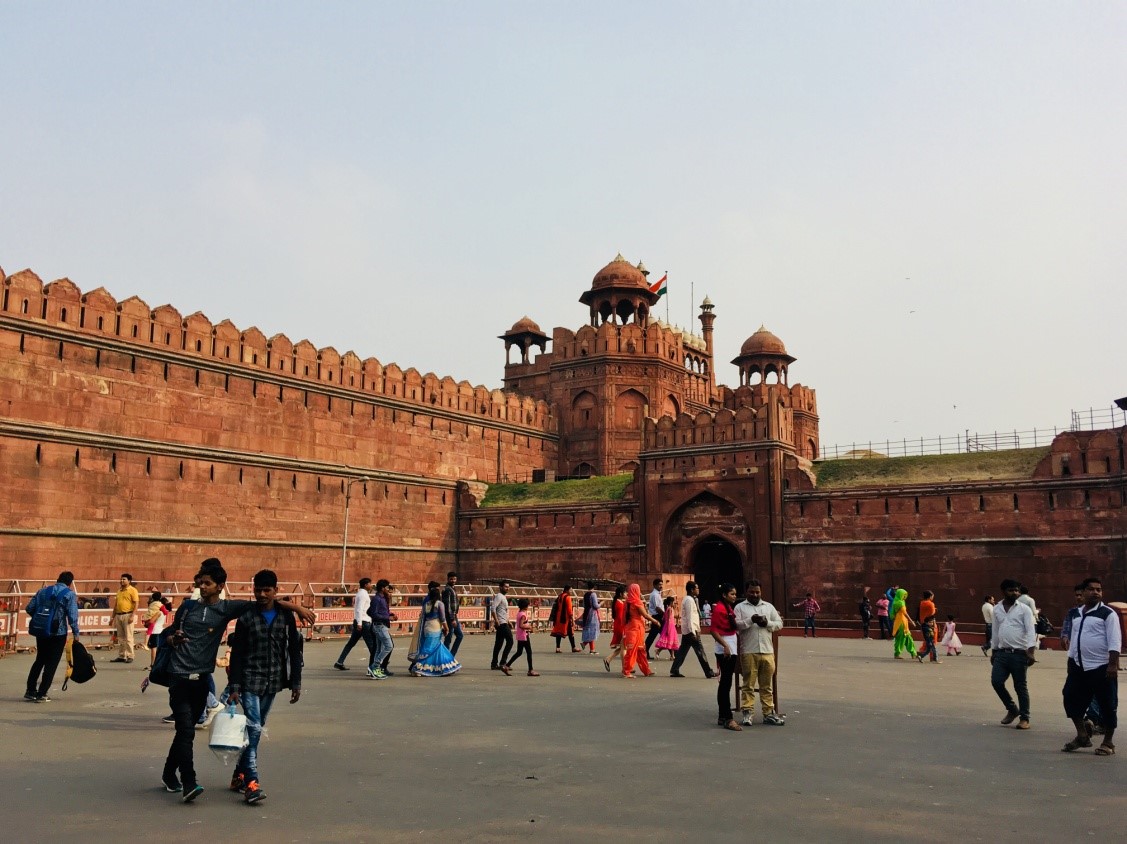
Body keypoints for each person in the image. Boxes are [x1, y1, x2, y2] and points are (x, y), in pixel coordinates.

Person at [159, 558, 313, 802]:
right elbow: (168, 637)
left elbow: (265, 604)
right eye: (201, 582)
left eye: (207, 583)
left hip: (205, 679)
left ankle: (171, 773)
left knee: (189, 733)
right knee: (189, 731)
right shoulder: (188, 608)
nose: (202, 586)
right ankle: (194, 782)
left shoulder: (228, 609)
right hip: (180, 677)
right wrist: (172, 640)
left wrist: (296, 609)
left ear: (220, 586)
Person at [226, 569, 303, 804]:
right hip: (250, 679)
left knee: (256, 729)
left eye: (266, 590)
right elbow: (237, 653)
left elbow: (293, 650)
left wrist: (296, 682)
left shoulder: (284, 616)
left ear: (275, 591)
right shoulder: (247, 617)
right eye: (257, 589)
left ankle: (239, 775)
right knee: (255, 728)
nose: (261, 594)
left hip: (273, 680)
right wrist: (234, 686)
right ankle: (251, 782)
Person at [1060, 577, 1119, 756]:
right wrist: (1071, 660)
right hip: (1078, 666)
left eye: (1099, 590)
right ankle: (1082, 735)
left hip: (1101, 667)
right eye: (1091, 589)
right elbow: (1075, 638)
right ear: (1083, 592)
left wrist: (1112, 665)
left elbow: (1115, 641)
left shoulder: (1108, 614)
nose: (1096, 592)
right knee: (1070, 698)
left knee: (1107, 704)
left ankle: (1108, 742)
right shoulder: (1076, 614)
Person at [24, 571, 81, 702]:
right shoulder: (69, 594)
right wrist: (76, 633)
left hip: (42, 632)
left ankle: (30, 690)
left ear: (57, 579)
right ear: (70, 583)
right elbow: (72, 616)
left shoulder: (42, 591)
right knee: (51, 663)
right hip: (58, 633)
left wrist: (41, 620)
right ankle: (42, 693)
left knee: (39, 660)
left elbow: (29, 608)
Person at [734, 580, 785, 727]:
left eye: (757, 592)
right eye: (752, 592)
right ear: (746, 592)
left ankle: (768, 713)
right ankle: (748, 712)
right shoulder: (740, 607)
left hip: (767, 651)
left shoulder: (768, 607)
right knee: (748, 684)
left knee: (766, 685)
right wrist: (751, 620)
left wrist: (766, 623)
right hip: (749, 650)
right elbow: (736, 625)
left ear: (761, 592)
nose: (755, 594)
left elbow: (779, 624)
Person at [990, 578, 1036, 731]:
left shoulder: (1024, 609)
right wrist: (994, 650)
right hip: (1002, 652)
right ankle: (1012, 708)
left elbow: (1030, 630)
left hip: (1019, 653)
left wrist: (1031, 651)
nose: (1015, 593)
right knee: (996, 681)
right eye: (1011, 590)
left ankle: (1024, 718)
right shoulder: (997, 609)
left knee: (1020, 686)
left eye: (1017, 590)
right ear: (1003, 591)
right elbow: (995, 630)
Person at [407, 581, 461, 677]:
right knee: (429, 649)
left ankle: (443, 666)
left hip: (427, 627)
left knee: (437, 647)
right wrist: (446, 628)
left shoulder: (426, 604)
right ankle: (418, 668)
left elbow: (423, 616)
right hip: (436, 627)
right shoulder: (440, 604)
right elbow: (443, 619)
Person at [711, 583, 741, 730]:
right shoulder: (719, 609)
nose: (734, 596)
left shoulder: (727, 608)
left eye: (735, 594)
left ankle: (723, 716)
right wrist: (725, 646)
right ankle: (727, 717)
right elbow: (713, 631)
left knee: (726, 682)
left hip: (730, 645)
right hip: (725, 648)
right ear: (724, 595)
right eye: (732, 594)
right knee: (725, 683)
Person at [670, 581, 716, 678]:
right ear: (692, 590)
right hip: (691, 631)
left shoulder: (689, 599)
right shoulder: (689, 600)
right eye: (697, 588)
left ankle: (674, 669)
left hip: (688, 630)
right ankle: (708, 671)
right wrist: (693, 631)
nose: (698, 590)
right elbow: (690, 617)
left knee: (683, 651)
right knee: (700, 652)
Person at [333, 578, 375, 671]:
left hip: (360, 621)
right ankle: (374, 665)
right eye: (369, 584)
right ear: (365, 585)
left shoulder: (361, 594)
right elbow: (359, 609)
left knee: (351, 643)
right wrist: (360, 623)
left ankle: (340, 661)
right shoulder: (363, 595)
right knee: (371, 645)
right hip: (363, 622)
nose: (371, 585)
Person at [621, 584, 658, 679]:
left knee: (638, 650)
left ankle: (646, 670)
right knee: (635, 651)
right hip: (637, 629)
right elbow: (645, 615)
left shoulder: (626, 603)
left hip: (630, 628)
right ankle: (626, 671)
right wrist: (655, 621)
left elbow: (623, 618)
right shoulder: (637, 602)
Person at [366, 579, 397, 679]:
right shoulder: (377, 599)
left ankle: (375, 670)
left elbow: (380, 612)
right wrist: (387, 617)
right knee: (389, 646)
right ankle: (374, 666)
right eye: (387, 588)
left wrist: (390, 615)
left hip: (382, 625)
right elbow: (373, 613)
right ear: (382, 588)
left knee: (379, 649)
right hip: (379, 626)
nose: (389, 590)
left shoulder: (383, 598)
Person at [502, 598, 539, 676]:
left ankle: (506, 666)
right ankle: (530, 670)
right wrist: (530, 627)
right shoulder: (523, 615)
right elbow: (521, 625)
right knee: (529, 652)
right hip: (524, 636)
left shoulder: (519, 613)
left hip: (520, 635)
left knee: (519, 652)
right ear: (526, 606)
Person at [110, 573, 140, 663]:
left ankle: (130, 655)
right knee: (120, 637)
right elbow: (115, 606)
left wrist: (132, 616)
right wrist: (112, 618)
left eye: (124, 579)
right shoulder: (119, 591)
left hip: (128, 615)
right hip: (119, 615)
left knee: (129, 636)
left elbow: (136, 604)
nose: (122, 581)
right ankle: (122, 655)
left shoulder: (133, 590)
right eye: (121, 579)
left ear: (129, 581)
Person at [143, 591, 172, 669]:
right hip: (160, 630)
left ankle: (153, 664)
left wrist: (146, 623)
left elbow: (151, 621)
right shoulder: (164, 612)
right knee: (159, 648)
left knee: (153, 648)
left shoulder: (158, 612)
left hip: (155, 631)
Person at [603, 585, 627, 672]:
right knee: (624, 647)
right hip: (621, 626)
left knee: (623, 647)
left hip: (618, 625)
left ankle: (609, 659)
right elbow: (621, 618)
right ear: (621, 594)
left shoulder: (618, 602)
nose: (626, 594)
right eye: (625, 592)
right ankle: (625, 667)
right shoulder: (620, 604)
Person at [490, 581, 513, 670]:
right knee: (510, 641)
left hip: (503, 621)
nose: (507, 588)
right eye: (505, 587)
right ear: (500, 587)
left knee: (499, 644)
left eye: (508, 587)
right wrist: (496, 621)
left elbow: (504, 611)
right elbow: (493, 608)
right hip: (501, 622)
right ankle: (503, 662)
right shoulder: (499, 596)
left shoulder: (503, 597)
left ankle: (494, 663)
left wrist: (508, 621)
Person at [890, 588, 918, 660]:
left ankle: (913, 653)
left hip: (900, 621)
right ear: (901, 594)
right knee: (901, 639)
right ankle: (898, 653)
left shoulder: (896, 601)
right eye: (904, 595)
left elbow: (892, 614)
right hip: (901, 623)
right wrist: (911, 621)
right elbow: (905, 613)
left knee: (908, 638)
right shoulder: (900, 603)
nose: (905, 596)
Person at [441, 571, 464, 657]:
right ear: (448, 579)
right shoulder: (447, 590)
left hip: (453, 616)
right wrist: (452, 619)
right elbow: (448, 606)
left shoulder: (452, 588)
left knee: (459, 635)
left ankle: (450, 656)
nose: (453, 580)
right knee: (448, 638)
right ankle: (447, 657)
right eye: (451, 579)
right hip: (450, 617)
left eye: (454, 579)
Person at [550, 583, 578, 653]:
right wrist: (572, 618)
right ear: (567, 590)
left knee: (558, 633)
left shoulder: (560, 596)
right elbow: (569, 609)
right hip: (565, 618)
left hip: (558, 617)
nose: (571, 591)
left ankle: (558, 648)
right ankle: (573, 647)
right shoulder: (567, 597)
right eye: (571, 590)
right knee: (570, 632)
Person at [917, 590, 940, 663]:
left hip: (923, 624)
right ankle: (926, 656)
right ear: (930, 596)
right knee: (931, 643)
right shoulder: (930, 604)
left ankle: (933, 658)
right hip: (930, 625)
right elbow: (932, 613)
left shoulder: (922, 603)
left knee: (930, 643)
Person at [644, 578, 664, 658]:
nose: (661, 586)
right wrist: (665, 614)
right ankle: (675, 653)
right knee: (665, 634)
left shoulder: (657, 594)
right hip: (658, 616)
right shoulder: (655, 595)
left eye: (662, 584)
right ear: (655, 585)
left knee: (659, 635)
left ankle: (645, 651)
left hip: (658, 616)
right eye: (659, 584)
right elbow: (657, 608)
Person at [579, 582, 601, 654]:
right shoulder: (593, 594)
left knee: (589, 630)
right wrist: (600, 603)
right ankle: (588, 646)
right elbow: (595, 605)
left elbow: (584, 605)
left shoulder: (585, 594)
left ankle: (590, 647)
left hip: (586, 613)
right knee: (593, 630)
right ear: (593, 587)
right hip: (592, 614)